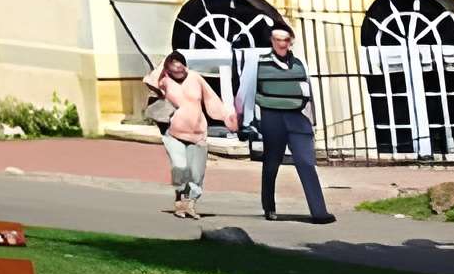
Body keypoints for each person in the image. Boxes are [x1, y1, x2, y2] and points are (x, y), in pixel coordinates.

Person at [248, 22, 334, 223]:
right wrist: (245, 119)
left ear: (291, 41)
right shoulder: (259, 62)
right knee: (272, 162)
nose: (281, 44)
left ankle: (319, 211)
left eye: (285, 40)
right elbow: (247, 91)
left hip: (297, 115)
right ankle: (269, 207)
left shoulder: (299, 63)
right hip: (272, 115)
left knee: (306, 162)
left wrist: (312, 119)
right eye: (277, 39)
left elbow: (309, 92)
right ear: (271, 41)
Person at [142, 50, 237, 220]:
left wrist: (226, 117)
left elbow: (211, 99)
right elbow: (149, 81)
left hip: (198, 133)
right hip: (173, 133)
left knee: (196, 173)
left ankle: (190, 203)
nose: (179, 70)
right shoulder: (164, 80)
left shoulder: (195, 78)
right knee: (180, 167)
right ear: (168, 68)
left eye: (181, 65)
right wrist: (165, 61)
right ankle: (180, 200)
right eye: (174, 67)